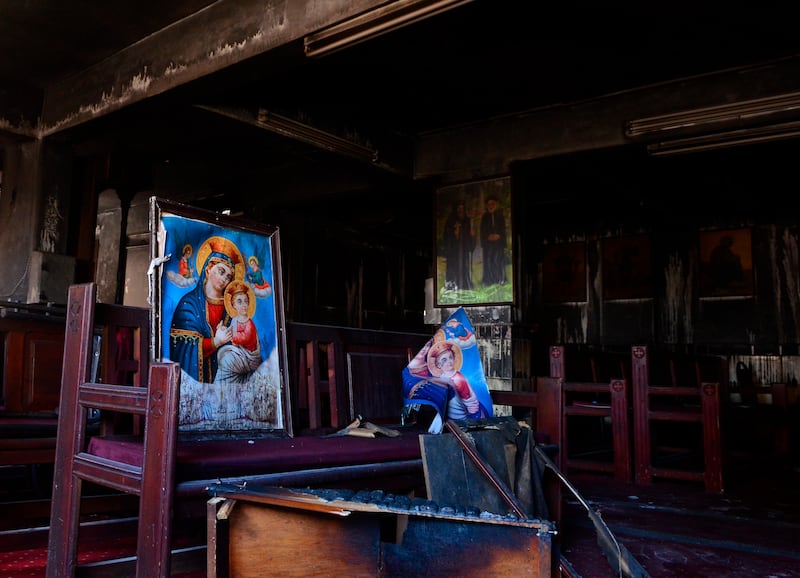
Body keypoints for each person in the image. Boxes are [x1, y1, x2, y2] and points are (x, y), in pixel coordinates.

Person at [169, 236, 242, 383]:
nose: (224, 279)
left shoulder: (231, 308)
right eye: (221, 272)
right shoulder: (189, 304)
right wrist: (216, 342)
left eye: (229, 277)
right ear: (208, 269)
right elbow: (182, 348)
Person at [214, 280, 262, 385]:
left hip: (250, 358)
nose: (244, 305)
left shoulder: (249, 323)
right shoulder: (235, 320)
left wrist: (228, 335)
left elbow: (243, 338)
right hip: (240, 353)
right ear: (233, 305)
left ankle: (218, 386)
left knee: (226, 361)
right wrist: (222, 330)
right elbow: (233, 337)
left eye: (245, 301)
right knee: (222, 355)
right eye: (239, 302)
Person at [442, 201, 474, 291]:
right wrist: (454, 232)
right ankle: (452, 285)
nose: (460, 210)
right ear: (456, 209)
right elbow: (446, 235)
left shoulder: (466, 220)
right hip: (453, 249)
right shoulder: (451, 220)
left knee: (464, 265)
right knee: (453, 267)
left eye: (462, 208)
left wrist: (471, 235)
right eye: (459, 208)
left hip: (463, 249)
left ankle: (464, 284)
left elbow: (469, 235)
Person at [479, 196, 507, 286]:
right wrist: (488, 237)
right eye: (489, 204)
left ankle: (500, 279)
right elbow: (482, 231)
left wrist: (499, 236)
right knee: (488, 261)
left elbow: (503, 230)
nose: (491, 206)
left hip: (498, 243)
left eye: (493, 204)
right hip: (488, 244)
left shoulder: (500, 216)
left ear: (496, 205)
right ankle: (489, 281)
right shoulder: (485, 217)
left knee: (498, 260)